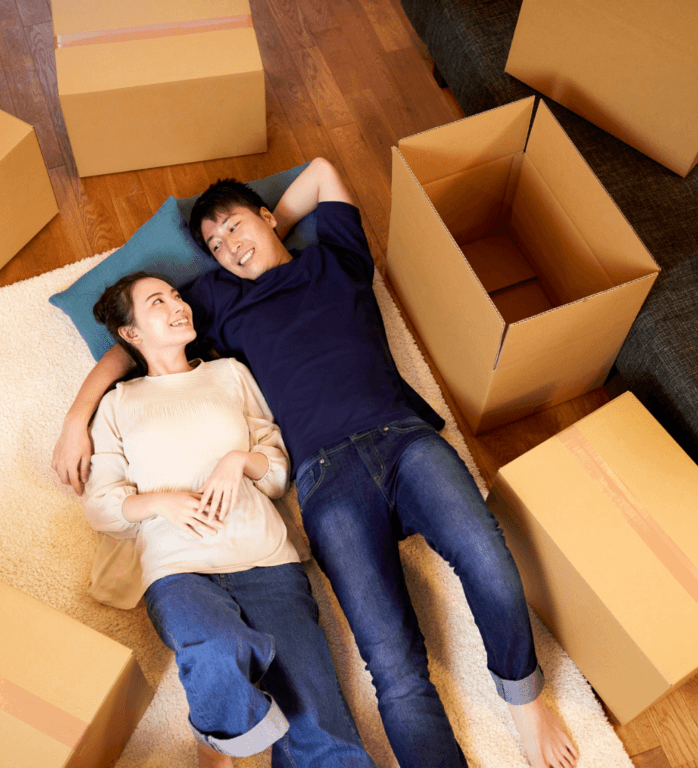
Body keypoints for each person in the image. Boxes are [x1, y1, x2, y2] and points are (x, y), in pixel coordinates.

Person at [55, 158, 580, 768]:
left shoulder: (336, 258)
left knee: (483, 549)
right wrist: (76, 418)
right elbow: (135, 342)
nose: (227, 246)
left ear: (269, 215)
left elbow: (326, 171)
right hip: (325, 478)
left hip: (402, 438)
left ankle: (523, 699)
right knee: (392, 663)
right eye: (214, 245)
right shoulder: (218, 301)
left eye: (234, 226)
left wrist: (262, 229)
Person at [84, 271, 376, 768]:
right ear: (131, 333)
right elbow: (101, 506)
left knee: (320, 721)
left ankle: (221, 737)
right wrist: (160, 502)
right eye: (158, 302)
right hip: (179, 571)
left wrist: (237, 461)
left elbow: (277, 470)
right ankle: (219, 746)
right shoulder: (118, 403)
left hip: (267, 561)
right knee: (218, 648)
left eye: (176, 295)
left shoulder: (230, 375)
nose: (178, 305)